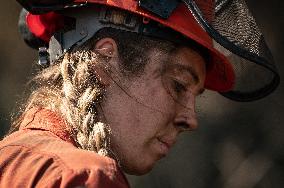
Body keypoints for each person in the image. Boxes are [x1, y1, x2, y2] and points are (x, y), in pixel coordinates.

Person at [0, 0, 279, 187]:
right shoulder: (84, 177)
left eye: (196, 94)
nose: (191, 120)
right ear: (105, 60)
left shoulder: (10, 161)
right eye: (179, 85)